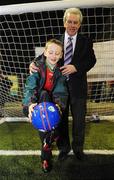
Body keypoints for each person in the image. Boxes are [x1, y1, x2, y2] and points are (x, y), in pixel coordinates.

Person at [29, 8, 96, 161]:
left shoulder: (86, 41)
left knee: (79, 120)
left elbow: (91, 60)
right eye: (70, 22)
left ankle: (78, 149)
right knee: (61, 120)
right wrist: (33, 63)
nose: (72, 25)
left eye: (76, 22)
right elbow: (43, 56)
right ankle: (64, 148)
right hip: (59, 90)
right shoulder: (57, 40)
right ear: (65, 22)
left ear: (79, 24)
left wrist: (76, 67)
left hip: (78, 88)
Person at [22, 39, 68, 173]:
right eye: (51, 52)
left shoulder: (61, 71)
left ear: (61, 55)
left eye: (57, 53)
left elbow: (61, 91)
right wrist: (29, 105)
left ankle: (46, 155)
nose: (54, 56)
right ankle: (51, 140)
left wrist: (59, 106)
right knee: (43, 94)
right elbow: (30, 87)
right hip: (36, 103)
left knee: (49, 128)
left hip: (54, 105)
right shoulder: (37, 66)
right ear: (45, 52)